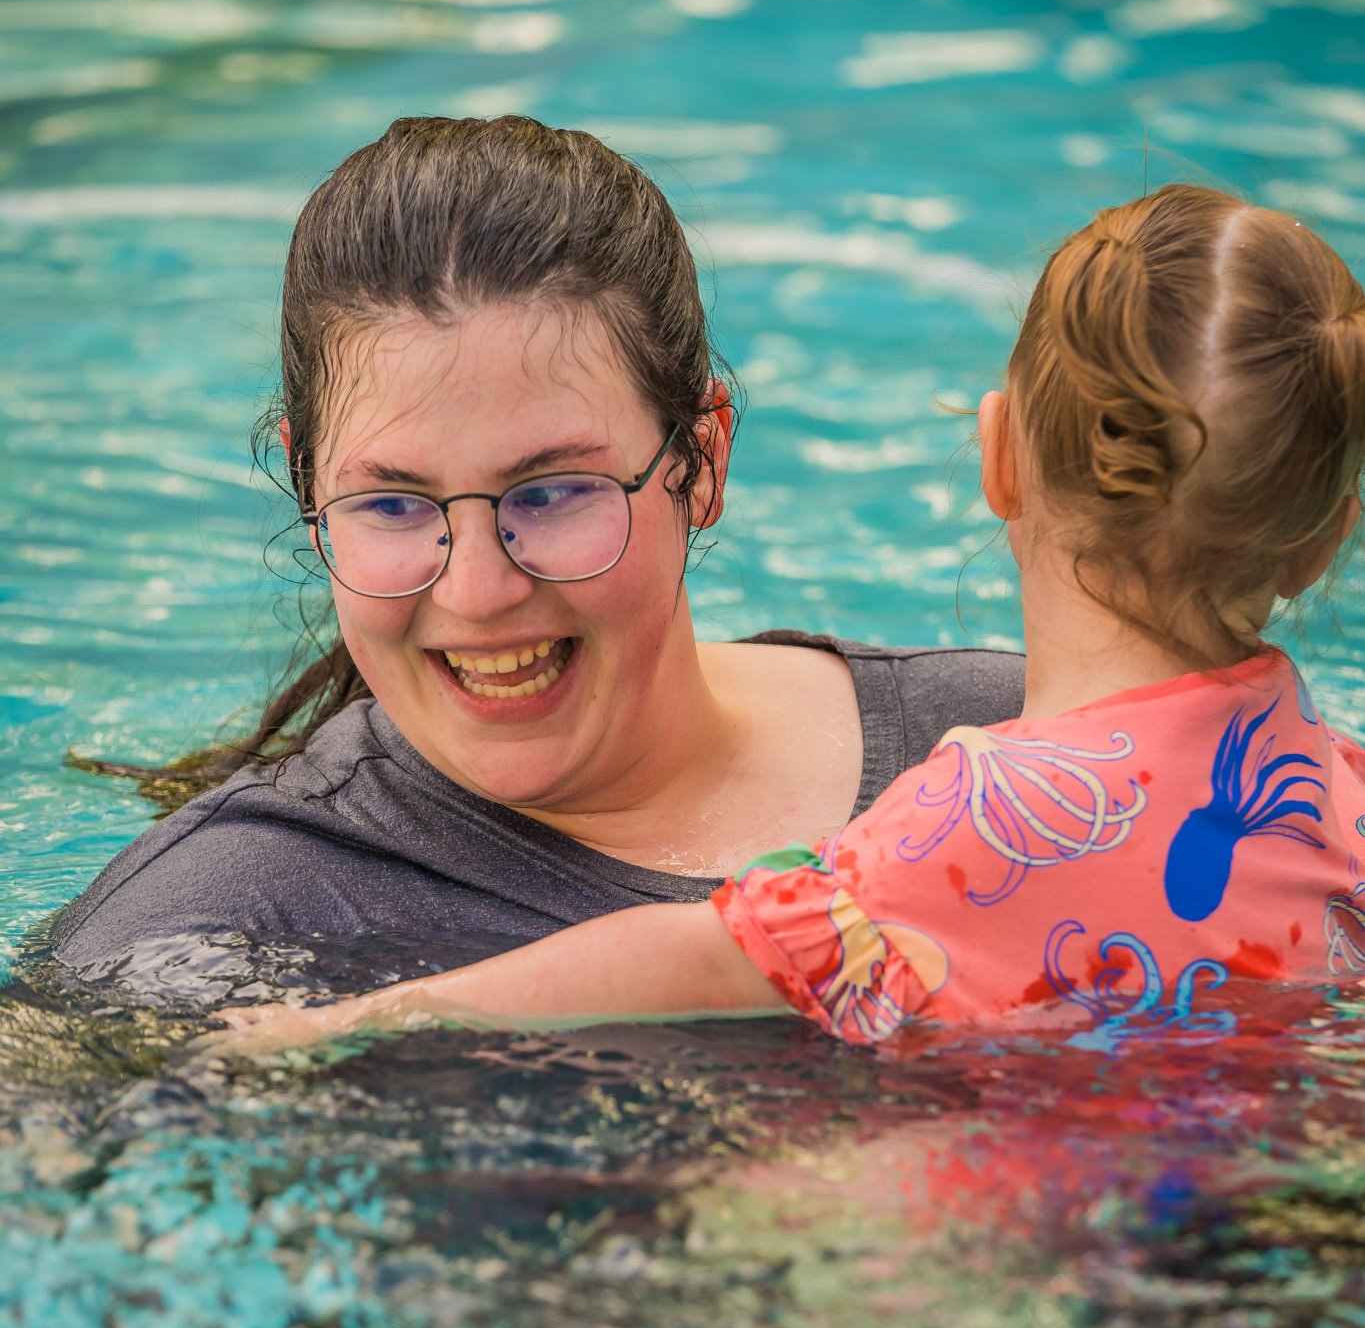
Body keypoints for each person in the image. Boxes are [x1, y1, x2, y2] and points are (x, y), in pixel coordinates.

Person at [218, 183, 1365, 1050]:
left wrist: (357, 1022)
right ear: (1324, 535)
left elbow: (687, 958)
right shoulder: (1344, 796)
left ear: (998, 456)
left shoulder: (973, 822)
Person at [48, 115, 1025, 997]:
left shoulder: (1031, 746)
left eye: (553, 493)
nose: (476, 590)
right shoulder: (217, 926)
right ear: (310, 494)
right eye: (392, 503)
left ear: (705, 463)